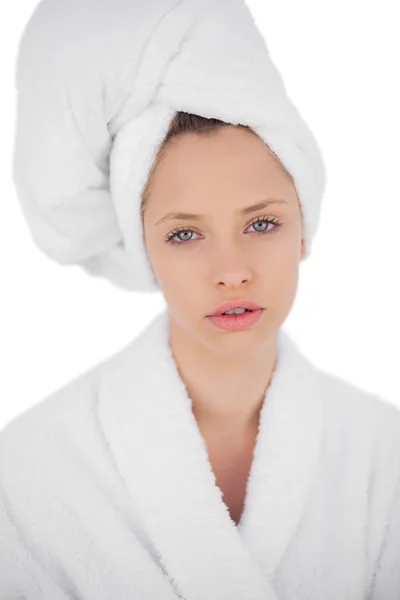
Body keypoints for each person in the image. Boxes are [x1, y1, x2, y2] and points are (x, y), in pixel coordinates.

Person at [1, 0, 399, 598]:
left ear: (304, 233)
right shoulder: (26, 474)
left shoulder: (383, 459)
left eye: (262, 224)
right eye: (184, 234)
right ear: (145, 253)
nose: (231, 271)